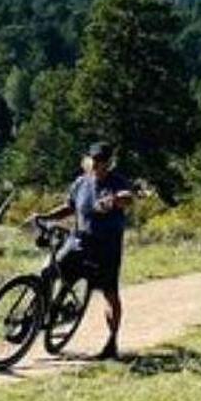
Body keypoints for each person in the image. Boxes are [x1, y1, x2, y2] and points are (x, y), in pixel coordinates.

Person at [34, 141, 137, 359]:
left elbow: (128, 197)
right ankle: (41, 315)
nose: (98, 164)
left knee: (110, 294)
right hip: (78, 242)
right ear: (88, 160)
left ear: (109, 163)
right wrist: (46, 216)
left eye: (102, 161)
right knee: (49, 272)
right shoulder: (81, 182)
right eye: (94, 160)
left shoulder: (116, 182)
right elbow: (69, 206)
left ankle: (112, 342)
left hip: (106, 248)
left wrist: (115, 199)